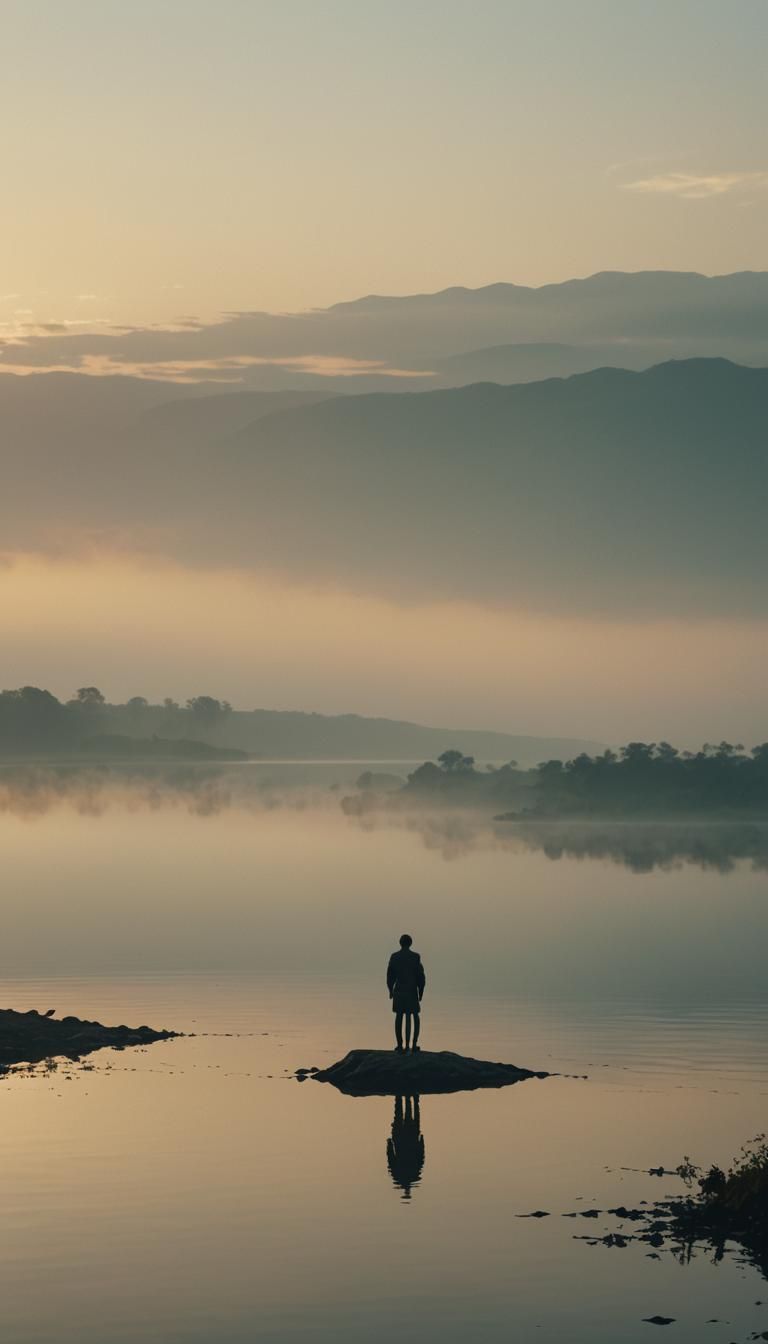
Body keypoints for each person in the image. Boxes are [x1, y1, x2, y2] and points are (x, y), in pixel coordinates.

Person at [387, 934, 426, 1053]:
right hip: (411, 990)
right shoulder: (415, 957)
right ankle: (412, 1045)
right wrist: (421, 991)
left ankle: (400, 1045)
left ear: (400, 943)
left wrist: (390, 990)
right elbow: (421, 976)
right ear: (410, 943)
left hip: (399, 990)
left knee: (399, 1016)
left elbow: (390, 975)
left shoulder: (394, 956)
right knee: (413, 1015)